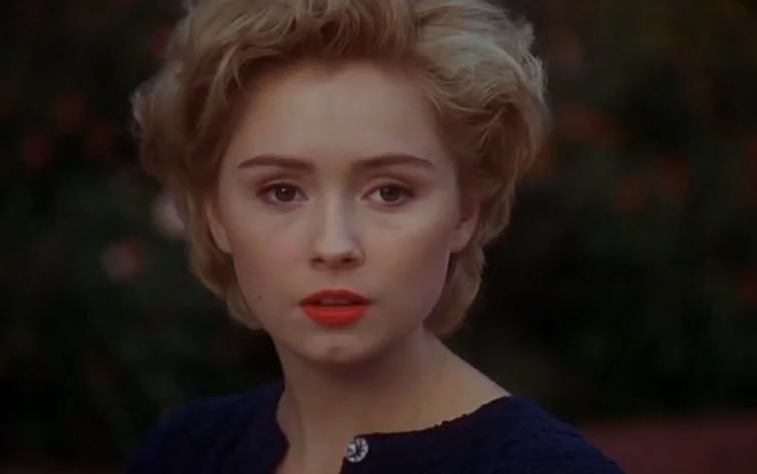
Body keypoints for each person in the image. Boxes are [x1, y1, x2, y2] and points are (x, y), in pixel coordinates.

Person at [127, 0, 623, 472]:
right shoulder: (184, 453)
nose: (334, 245)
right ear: (215, 214)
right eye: (281, 192)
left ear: (465, 212)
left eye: (390, 192)